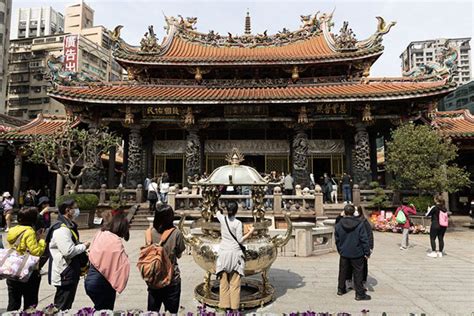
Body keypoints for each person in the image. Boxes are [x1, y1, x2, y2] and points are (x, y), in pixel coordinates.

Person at [47, 199, 90, 311]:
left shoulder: (68, 226)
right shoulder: (61, 229)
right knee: (62, 306)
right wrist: (84, 246)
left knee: (66, 304)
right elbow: (68, 251)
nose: (77, 210)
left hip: (69, 270)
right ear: (68, 210)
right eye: (75, 208)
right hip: (64, 271)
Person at [85, 214, 130, 310]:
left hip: (90, 281)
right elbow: (122, 263)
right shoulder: (115, 241)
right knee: (105, 311)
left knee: (99, 309)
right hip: (102, 284)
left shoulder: (101, 234)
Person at [216, 200, 255, 312]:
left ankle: (224, 307)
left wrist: (220, 205)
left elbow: (217, 211)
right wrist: (250, 232)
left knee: (223, 284)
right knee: (235, 284)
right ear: (236, 211)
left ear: (227, 210)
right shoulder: (238, 223)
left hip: (223, 255)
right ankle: (234, 310)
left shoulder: (222, 219)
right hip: (235, 255)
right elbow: (240, 240)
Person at [147, 204, 185, 315]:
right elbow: (179, 254)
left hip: (154, 279)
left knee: (152, 312)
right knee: (172, 312)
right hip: (171, 279)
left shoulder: (149, 233)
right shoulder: (176, 233)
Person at [6, 207, 46, 311]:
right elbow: (36, 251)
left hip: (13, 271)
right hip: (27, 272)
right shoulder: (29, 231)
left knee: (13, 303)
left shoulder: (12, 230)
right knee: (30, 304)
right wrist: (41, 240)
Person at [335, 204, 371, 301]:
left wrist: (340, 250)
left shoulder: (339, 224)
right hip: (357, 252)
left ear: (345, 212)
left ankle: (340, 289)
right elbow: (364, 239)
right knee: (358, 273)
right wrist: (367, 252)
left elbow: (337, 239)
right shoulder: (360, 224)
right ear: (353, 212)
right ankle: (359, 294)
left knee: (342, 271)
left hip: (344, 252)